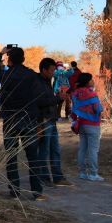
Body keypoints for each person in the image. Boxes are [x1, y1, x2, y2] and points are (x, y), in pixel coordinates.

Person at [0, 46, 50, 199]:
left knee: (11, 157)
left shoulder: (6, 75)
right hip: (28, 120)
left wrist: (0, 54)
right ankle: (37, 192)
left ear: (9, 59)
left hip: (10, 120)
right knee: (33, 156)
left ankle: (14, 191)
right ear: (24, 59)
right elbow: (41, 98)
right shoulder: (32, 76)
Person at [38, 57, 71, 187]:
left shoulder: (48, 82)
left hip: (51, 119)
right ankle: (44, 177)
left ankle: (58, 177)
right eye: (52, 70)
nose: (54, 73)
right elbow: (41, 102)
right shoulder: (38, 83)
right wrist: (57, 98)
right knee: (44, 150)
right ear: (44, 70)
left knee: (55, 149)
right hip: (44, 120)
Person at [70, 72, 104, 181]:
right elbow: (98, 109)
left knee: (83, 149)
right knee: (93, 150)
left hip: (81, 124)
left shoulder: (75, 94)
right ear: (87, 81)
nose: (93, 81)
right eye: (91, 79)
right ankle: (93, 174)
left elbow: (74, 110)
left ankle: (82, 173)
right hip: (93, 124)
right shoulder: (92, 94)